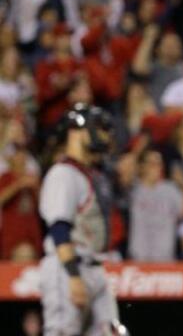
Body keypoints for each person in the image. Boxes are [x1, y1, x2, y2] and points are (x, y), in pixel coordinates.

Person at [38, 103, 129, 335]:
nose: (104, 135)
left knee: (110, 331)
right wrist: (73, 275)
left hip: (94, 267)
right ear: (76, 132)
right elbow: (59, 228)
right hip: (68, 267)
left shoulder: (90, 174)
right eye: (97, 128)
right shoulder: (63, 173)